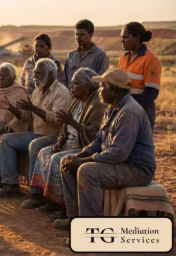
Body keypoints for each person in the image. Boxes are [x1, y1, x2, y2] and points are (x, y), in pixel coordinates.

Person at [54, 68, 155, 230]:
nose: (99, 90)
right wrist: (78, 156)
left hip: (136, 170)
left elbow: (117, 154)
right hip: (121, 163)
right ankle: (74, 217)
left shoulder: (129, 112)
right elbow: (98, 141)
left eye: (103, 86)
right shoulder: (112, 108)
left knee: (87, 171)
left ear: (114, 89)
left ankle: (92, 227)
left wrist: (82, 161)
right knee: (68, 161)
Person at [22, 68, 106, 221]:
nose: (71, 87)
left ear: (87, 87)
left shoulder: (97, 105)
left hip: (83, 147)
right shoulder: (75, 101)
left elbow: (94, 135)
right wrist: (60, 140)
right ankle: (49, 199)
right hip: (69, 143)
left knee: (57, 160)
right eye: (71, 84)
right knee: (44, 153)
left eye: (75, 84)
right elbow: (64, 127)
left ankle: (63, 205)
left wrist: (72, 122)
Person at [0, 58, 71, 198]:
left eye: (39, 73)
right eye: (34, 73)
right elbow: (27, 116)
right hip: (36, 133)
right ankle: (10, 185)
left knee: (35, 145)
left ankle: (36, 193)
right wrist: (11, 108)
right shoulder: (37, 91)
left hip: (54, 136)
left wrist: (33, 108)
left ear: (51, 74)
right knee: (6, 140)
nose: (34, 77)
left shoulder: (61, 92)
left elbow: (57, 119)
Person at [118, 22, 161, 130]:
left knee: (140, 144)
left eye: (125, 37)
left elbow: (151, 92)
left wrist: (129, 106)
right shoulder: (123, 58)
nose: (122, 40)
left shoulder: (151, 59)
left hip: (142, 110)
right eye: (121, 37)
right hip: (124, 108)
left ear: (137, 37)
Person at [63, 19, 109, 88]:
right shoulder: (71, 55)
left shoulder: (100, 55)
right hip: (71, 96)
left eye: (82, 35)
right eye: (76, 34)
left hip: (90, 97)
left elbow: (102, 81)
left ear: (91, 34)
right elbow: (65, 79)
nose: (78, 37)